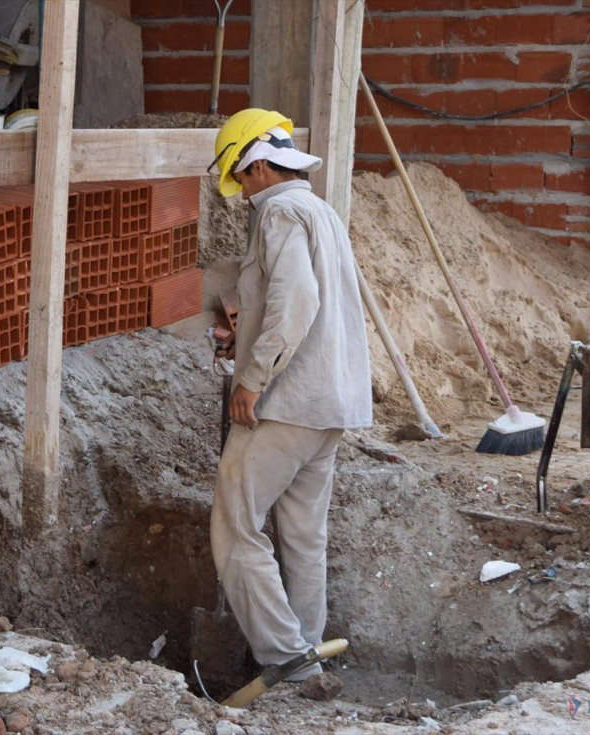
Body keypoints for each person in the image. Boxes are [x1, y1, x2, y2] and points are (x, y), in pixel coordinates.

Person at [207, 108, 372, 682]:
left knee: (235, 524)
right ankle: (307, 666)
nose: (244, 192)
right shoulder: (320, 210)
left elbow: (297, 300)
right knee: (303, 535)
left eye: (242, 178)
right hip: (331, 402)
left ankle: (283, 660)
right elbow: (304, 302)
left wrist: (252, 377)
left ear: (255, 164)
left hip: (288, 402)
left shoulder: (277, 211)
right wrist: (246, 335)